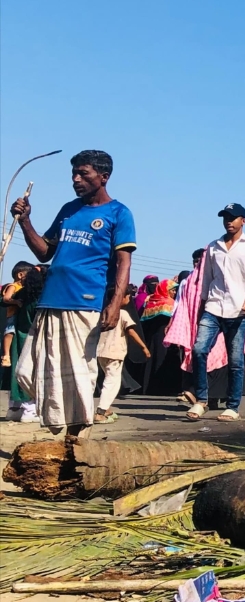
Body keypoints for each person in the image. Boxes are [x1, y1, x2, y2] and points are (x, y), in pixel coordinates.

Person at [11, 150, 136, 437]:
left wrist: (115, 304)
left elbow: (124, 263)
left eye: (83, 174)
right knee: (27, 372)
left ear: (103, 177)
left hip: (85, 303)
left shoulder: (118, 213)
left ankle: (75, 441)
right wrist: (25, 221)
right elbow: (45, 250)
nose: (76, 180)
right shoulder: (69, 209)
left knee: (78, 377)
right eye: (73, 174)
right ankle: (59, 425)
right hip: (51, 300)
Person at [180, 203, 245, 421]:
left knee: (235, 360)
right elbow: (206, 279)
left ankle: (233, 406)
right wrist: (201, 307)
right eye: (225, 217)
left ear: (243, 221)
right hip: (214, 307)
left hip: (238, 311)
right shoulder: (213, 246)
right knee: (199, 350)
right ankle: (201, 400)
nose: (229, 221)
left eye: (233, 217)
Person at [94, 285, 151, 424]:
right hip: (115, 352)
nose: (129, 299)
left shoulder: (103, 312)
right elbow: (131, 331)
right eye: (127, 296)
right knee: (112, 382)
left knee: (107, 379)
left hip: (101, 351)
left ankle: (106, 409)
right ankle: (100, 412)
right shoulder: (122, 313)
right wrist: (144, 347)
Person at [7, 266, 44, 422]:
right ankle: (30, 409)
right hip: (34, 338)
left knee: (17, 372)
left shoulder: (21, 294)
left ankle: (14, 409)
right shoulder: (41, 298)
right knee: (32, 373)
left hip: (19, 336)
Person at [140, 278, 181, 396]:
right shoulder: (169, 303)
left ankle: (148, 387)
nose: (174, 293)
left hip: (152, 337)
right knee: (163, 360)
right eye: (172, 290)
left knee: (152, 360)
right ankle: (163, 388)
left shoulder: (150, 301)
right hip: (165, 336)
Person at [2, 261, 33, 368]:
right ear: (20, 275)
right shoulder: (13, 286)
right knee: (9, 332)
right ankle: (6, 355)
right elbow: (6, 298)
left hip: (18, 314)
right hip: (12, 313)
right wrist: (16, 302)